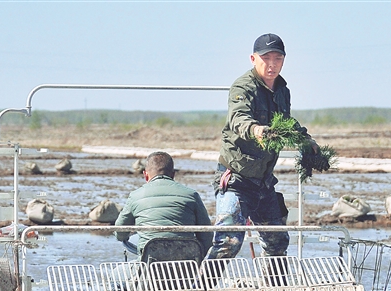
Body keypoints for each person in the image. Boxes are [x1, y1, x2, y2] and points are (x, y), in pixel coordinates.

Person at [207, 33, 318, 263]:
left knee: (277, 242)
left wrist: (307, 141)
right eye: (266, 58)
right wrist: (256, 130)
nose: (272, 64)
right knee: (228, 243)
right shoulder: (243, 87)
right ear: (253, 58)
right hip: (237, 177)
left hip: (264, 181)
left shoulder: (282, 91)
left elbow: (286, 124)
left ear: (284, 60)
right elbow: (238, 118)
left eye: (277, 58)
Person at [115, 151, 212, 259]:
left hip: (149, 266)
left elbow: (120, 233)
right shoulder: (192, 195)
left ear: (146, 175)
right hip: (186, 266)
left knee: (116, 272)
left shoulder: (135, 196)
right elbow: (206, 236)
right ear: (173, 174)